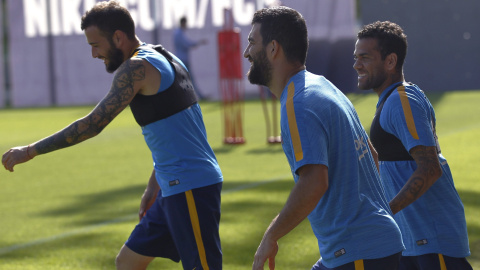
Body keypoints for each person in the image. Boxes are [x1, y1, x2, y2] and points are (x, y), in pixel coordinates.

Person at [2, 1, 223, 270]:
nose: (94, 54)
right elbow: (177, 130)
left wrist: (30, 150)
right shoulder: (164, 56)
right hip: (172, 185)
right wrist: (154, 185)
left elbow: (93, 124)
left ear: (118, 37)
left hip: (190, 185)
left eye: (95, 45)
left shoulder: (135, 68)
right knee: (127, 262)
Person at [244, 6, 404, 270]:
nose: (246, 52)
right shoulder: (321, 85)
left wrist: (270, 236)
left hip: (360, 252)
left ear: (273, 48)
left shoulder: (297, 102)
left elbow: (314, 182)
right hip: (362, 249)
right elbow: (372, 156)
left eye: (252, 42)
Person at [353, 21, 472, 270]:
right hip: (414, 239)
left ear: (390, 61)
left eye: (364, 57)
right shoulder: (392, 99)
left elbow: (430, 168)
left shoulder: (401, 101)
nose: (356, 65)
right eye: (356, 57)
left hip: (432, 239)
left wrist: (385, 213)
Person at [173, 16, 207, 99]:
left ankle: (188, 96)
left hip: (180, 59)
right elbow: (187, 44)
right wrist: (199, 42)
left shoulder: (177, 33)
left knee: (182, 79)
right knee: (188, 78)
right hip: (183, 60)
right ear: (183, 23)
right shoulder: (179, 33)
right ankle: (195, 96)